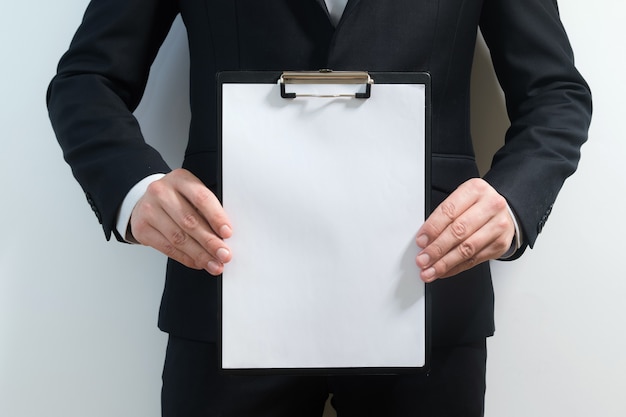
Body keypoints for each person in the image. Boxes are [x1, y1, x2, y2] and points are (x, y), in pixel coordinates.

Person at [47, 0, 592, 416]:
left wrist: (514, 201)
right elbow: (85, 81)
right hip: (224, 286)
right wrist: (134, 189)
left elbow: (555, 93)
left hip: (428, 291)